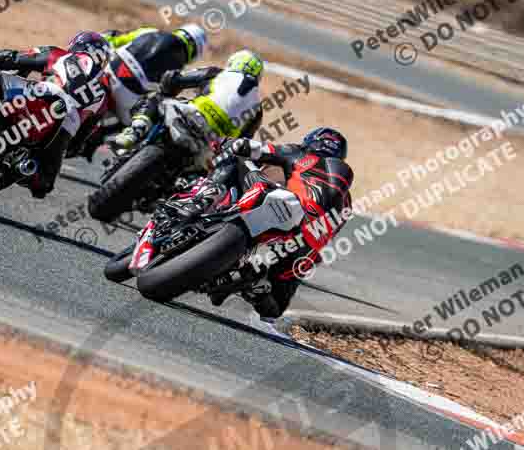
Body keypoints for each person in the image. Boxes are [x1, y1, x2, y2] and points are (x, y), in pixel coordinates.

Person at [178, 127, 353, 318]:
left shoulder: (300, 154)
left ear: (311, 142)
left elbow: (254, 148)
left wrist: (224, 142)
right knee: (276, 306)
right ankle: (255, 286)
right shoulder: (346, 204)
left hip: (276, 206)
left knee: (236, 158)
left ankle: (201, 200)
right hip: (303, 247)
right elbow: (327, 237)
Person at [0, 31, 112, 198]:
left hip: (41, 93)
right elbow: (81, 139)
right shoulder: (103, 95)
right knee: (44, 184)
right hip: (65, 125)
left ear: (76, 44)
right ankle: (22, 170)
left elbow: (12, 58)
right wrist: (66, 148)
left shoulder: (57, 54)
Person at [109, 50, 265, 168]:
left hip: (191, 115)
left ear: (234, 62)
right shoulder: (258, 109)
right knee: (209, 170)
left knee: (156, 98)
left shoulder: (217, 73)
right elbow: (243, 140)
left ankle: (136, 129)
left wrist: (168, 90)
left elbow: (173, 79)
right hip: (212, 144)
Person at [101, 24, 208, 125]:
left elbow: (117, 40)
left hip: (106, 71)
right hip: (125, 99)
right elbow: (164, 96)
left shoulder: (150, 31)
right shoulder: (178, 71)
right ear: (195, 55)